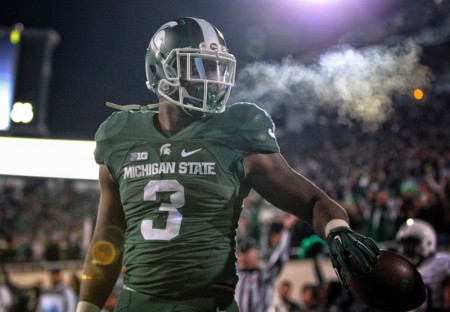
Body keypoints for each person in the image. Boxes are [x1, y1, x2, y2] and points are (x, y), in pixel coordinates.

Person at [76, 17, 380, 312]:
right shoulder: (121, 135)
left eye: (217, 67)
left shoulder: (237, 130)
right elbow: (107, 237)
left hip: (209, 304)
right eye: (198, 66)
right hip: (136, 303)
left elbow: (312, 201)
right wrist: (86, 306)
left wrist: (337, 229)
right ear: (159, 70)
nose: (212, 78)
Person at [235, 214, 296, 312]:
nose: (244, 256)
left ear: (255, 254)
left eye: (247, 252)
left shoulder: (263, 274)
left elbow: (278, 258)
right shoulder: (235, 274)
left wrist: (285, 231)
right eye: (242, 253)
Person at [396, 218, 450, 311]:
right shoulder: (400, 268)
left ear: (427, 242)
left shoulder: (441, 262)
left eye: (411, 243)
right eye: (403, 243)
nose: (406, 248)